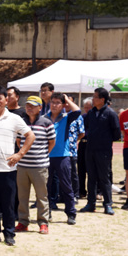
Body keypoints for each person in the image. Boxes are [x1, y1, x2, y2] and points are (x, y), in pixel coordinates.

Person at [0, 86, 35, 246]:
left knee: (8, 204)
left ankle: (9, 234)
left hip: (7, 169)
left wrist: (20, 154)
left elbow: (30, 135)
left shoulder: (14, 118)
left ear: (6, 100)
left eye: (0, 98)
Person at [15, 96, 56, 235]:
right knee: (22, 196)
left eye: (32, 105)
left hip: (40, 167)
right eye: (27, 105)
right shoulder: (22, 123)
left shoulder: (46, 123)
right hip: (22, 166)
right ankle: (23, 222)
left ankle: (43, 223)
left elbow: (52, 142)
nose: (29, 108)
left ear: (40, 107)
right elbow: (18, 140)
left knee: (41, 196)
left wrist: (42, 155)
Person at [81, 88, 121, 215]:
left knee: (104, 178)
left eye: (95, 97)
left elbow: (116, 134)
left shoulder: (110, 114)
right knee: (91, 177)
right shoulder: (91, 113)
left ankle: (108, 204)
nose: (93, 99)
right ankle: (90, 203)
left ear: (102, 99)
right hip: (90, 150)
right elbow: (86, 128)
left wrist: (104, 140)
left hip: (103, 151)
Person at [45, 93, 80, 224]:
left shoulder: (66, 117)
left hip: (62, 156)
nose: (54, 105)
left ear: (63, 105)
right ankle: (46, 213)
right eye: (52, 102)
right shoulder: (44, 118)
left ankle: (71, 213)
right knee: (45, 187)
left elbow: (77, 111)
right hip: (47, 156)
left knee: (66, 185)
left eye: (57, 103)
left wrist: (66, 99)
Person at [65, 96, 85, 202]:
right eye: (65, 102)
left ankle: (75, 194)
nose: (67, 104)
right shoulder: (60, 115)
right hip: (60, 150)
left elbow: (82, 133)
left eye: (69, 102)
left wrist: (74, 141)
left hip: (71, 150)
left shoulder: (78, 117)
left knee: (73, 173)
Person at [77, 97, 93, 199]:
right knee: (81, 169)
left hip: (91, 145)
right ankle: (81, 191)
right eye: (85, 107)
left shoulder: (95, 117)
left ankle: (94, 191)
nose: (87, 109)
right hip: (82, 144)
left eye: (89, 107)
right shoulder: (82, 117)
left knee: (91, 169)